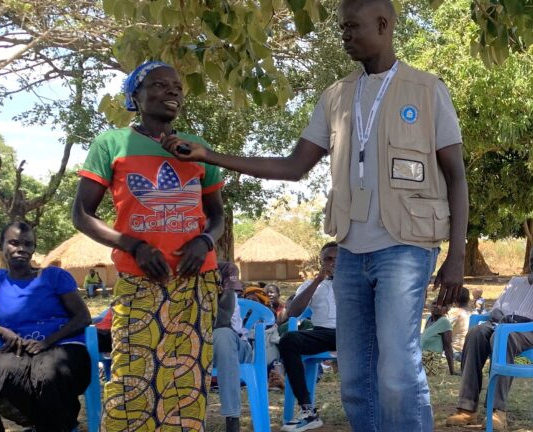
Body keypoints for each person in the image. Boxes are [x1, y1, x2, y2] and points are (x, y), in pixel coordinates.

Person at [161, 0, 468, 429]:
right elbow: (293, 166)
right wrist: (211, 156)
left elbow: (456, 176)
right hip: (350, 251)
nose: (343, 34)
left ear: (383, 24)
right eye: (341, 27)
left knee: (397, 371)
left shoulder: (427, 90)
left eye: (351, 26)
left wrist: (456, 256)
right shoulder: (337, 96)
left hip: (407, 246)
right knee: (356, 377)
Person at [72, 60, 225, 431]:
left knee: (187, 381)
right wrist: (135, 246)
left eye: (177, 87)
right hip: (141, 279)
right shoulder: (112, 144)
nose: (172, 91)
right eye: (159, 84)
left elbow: (217, 217)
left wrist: (204, 241)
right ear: (135, 96)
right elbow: (82, 214)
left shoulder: (198, 149)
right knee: (131, 378)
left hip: (195, 282)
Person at [0, 221, 92, 432]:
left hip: (62, 344)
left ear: (33, 248)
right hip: (20, 349)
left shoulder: (54, 277)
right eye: (13, 242)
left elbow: (82, 317)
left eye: (28, 244)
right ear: (0, 245)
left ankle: (52, 426)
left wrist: (47, 342)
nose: (21, 248)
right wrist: (1, 331)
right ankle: (53, 424)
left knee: (49, 373)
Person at [445, 242, 533, 430]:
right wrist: (502, 317)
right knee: (475, 334)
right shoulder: (515, 282)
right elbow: (496, 308)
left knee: (504, 338)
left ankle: (497, 411)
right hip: (502, 325)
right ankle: (467, 408)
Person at [279, 242, 338, 432]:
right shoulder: (312, 284)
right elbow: (293, 312)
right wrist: (318, 279)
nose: (332, 263)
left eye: (338, 259)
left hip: (353, 332)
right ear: (321, 263)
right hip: (323, 333)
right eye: (328, 259)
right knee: (289, 340)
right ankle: (308, 410)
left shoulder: (357, 282)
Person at [211, 285, 252, 432]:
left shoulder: (226, 289)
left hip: (237, 348)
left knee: (223, 334)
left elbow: (222, 322)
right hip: (203, 350)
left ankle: (232, 418)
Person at [420, 301, 457, 376]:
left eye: (441, 305)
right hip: (422, 355)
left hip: (431, 359)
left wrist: (452, 371)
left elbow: (448, 348)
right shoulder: (428, 318)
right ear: (430, 306)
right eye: (434, 303)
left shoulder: (444, 322)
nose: (437, 306)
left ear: (447, 309)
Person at [446, 287, 471, 365]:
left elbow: (443, 331)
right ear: (469, 300)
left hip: (456, 352)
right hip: (470, 352)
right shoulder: (474, 314)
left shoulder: (454, 313)